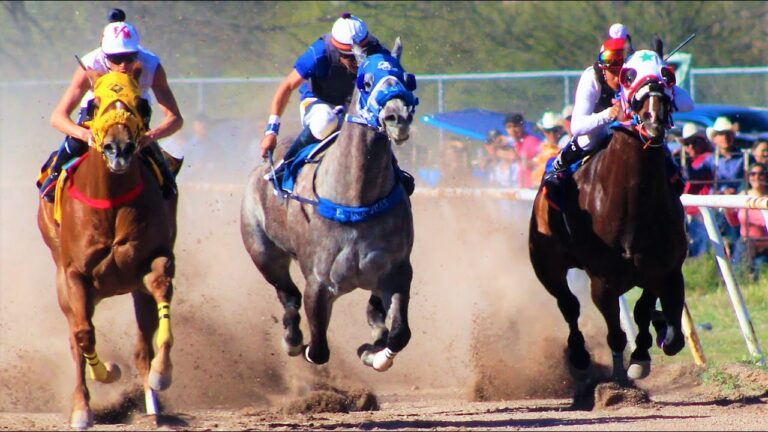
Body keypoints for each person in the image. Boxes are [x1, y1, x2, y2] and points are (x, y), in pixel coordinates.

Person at [39, 8, 183, 201]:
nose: (123, 66)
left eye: (130, 57)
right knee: (68, 153)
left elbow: (175, 118)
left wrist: (150, 136)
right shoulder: (90, 64)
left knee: (167, 184)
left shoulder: (151, 66)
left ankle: (167, 189)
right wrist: (84, 135)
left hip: (136, 122)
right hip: (93, 119)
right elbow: (58, 117)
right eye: (115, 59)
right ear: (104, 53)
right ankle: (53, 182)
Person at [543, 23, 694, 192]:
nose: (618, 78)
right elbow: (577, 126)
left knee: (654, 137)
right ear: (603, 69)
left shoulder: (638, 76)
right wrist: (607, 114)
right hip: (598, 129)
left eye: (622, 71)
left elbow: (688, 104)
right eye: (613, 71)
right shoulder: (592, 78)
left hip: (635, 130)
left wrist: (663, 87)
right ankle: (558, 167)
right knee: (591, 137)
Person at [258, 12, 389, 172]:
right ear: (338, 51)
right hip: (318, 101)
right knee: (324, 122)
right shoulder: (319, 53)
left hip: (354, 105)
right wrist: (271, 131)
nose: (358, 62)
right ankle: (286, 167)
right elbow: (287, 86)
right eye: (351, 57)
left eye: (362, 54)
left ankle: (395, 173)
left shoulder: (377, 52)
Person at [724, 162, 768, 279]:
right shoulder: (742, 196)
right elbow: (734, 222)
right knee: (738, 275)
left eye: (761, 174)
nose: (756, 177)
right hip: (746, 243)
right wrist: (727, 209)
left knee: (761, 272)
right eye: (752, 174)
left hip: (765, 245)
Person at [677, 123, 715, 257]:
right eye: (687, 143)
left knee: (702, 250)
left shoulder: (708, 158)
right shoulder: (690, 161)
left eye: (694, 142)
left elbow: (695, 174)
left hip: (701, 211)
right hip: (688, 210)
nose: (691, 146)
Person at [500, 112, 541, 188]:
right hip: (521, 189)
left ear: (522, 126)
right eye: (509, 127)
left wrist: (517, 158)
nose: (512, 130)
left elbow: (541, 165)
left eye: (515, 126)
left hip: (533, 189)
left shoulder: (532, 142)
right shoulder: (514, 144)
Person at [708, 116, 745, 195]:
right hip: (715, 202)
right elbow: (693, 175)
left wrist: (737, 190)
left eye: (728, 134)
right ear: (714, 139)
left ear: (733, 136)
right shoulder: (710, 160)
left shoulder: (744, 158)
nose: (725, 137)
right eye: (721, 134)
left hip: (738, 201)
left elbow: (751, 179)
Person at [531, 111, 564, 185]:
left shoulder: (565, 144)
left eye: (554, 130)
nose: (551, 134)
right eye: (548, 131)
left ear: (560, 130)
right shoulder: (541, 147)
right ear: (543, 132)